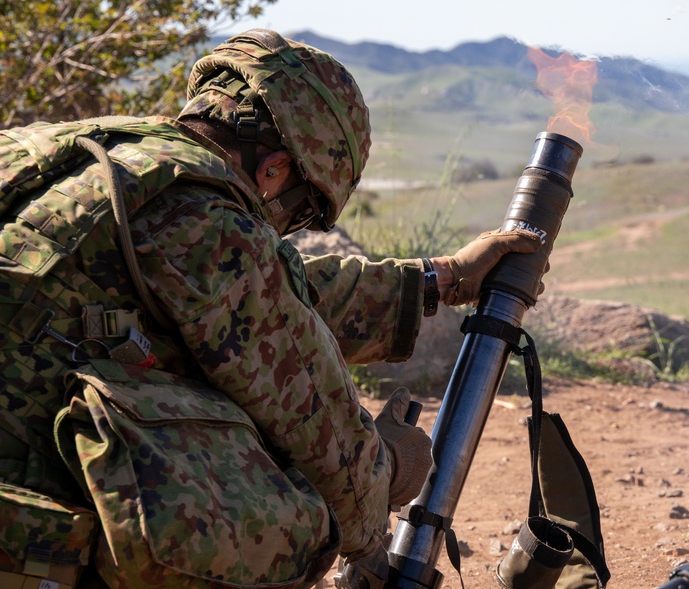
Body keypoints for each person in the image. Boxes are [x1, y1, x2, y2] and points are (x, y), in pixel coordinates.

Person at [0, 29, 541, 589]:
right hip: (22, 531)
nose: (288, 230)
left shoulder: (61, 155)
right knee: (288, 508)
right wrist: (389, 471)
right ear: (275, 170)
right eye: (303, 214)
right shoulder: (203, 221)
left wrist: (442, 278)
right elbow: (331, 451)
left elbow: (274, 295)